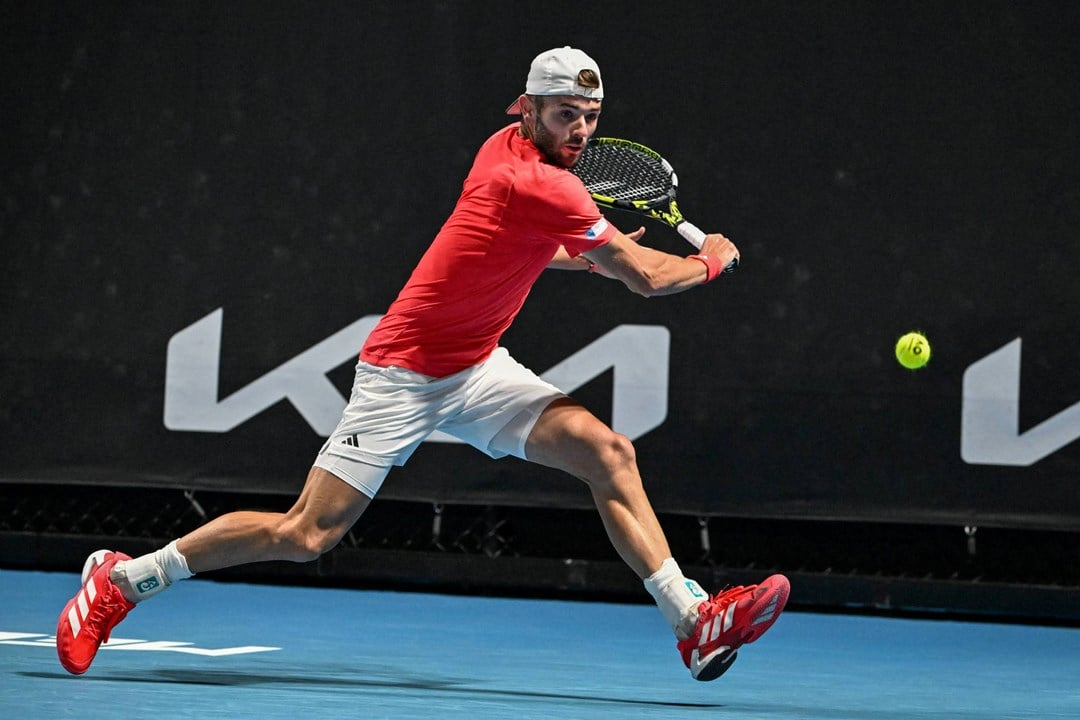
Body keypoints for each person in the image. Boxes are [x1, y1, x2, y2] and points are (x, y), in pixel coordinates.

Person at [57, 46, 789, 682]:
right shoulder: (542, 181)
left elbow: (538, 247)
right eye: (566, 114)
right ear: (526, 110)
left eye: (590, 116)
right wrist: (712, 262)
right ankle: (123, 580)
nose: (582, 131)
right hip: (403, 373)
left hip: (476, 369)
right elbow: (650, 280)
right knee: (307, 535)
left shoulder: (507, 150)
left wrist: (594, 257)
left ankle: (692, 621)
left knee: (608, 452)